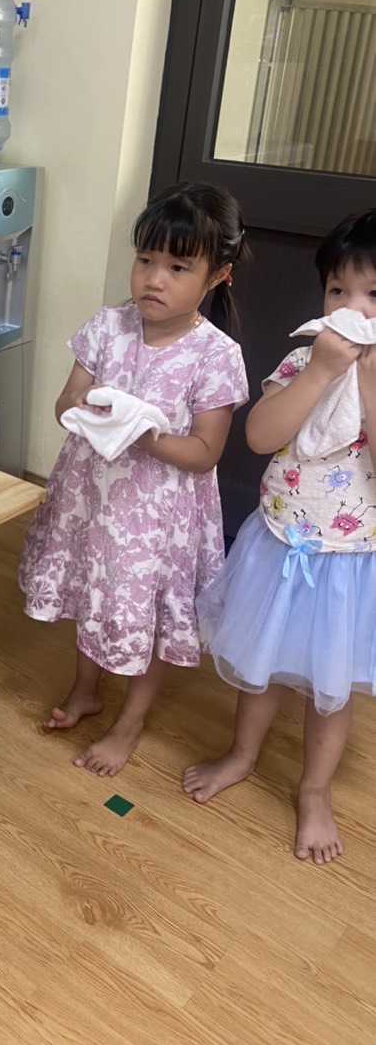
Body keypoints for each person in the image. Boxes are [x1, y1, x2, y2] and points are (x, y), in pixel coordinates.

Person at [19, 182, 250, 776]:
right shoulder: (107, 326)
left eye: (178, 267)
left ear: (218, 275)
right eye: (146, 259)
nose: (154, 279)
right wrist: (86, 407)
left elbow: (204, 452)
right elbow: (66, 401)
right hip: (90, 499)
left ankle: (130, 720)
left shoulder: (215, 355)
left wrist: (139, 433)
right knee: (91, 590)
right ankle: (85, 690)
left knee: (141, 610)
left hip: (156, 520)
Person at [184, 208, 376, 864]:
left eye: (373, 294)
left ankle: (314, 790)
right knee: (258, 666)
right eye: (338, 290)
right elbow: (261, 436)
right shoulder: (303, 359)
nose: (353, 308)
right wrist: (320, 373)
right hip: (280, 545)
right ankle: (242, 754)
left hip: (350, 564)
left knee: (331, 687)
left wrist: (368, 383)